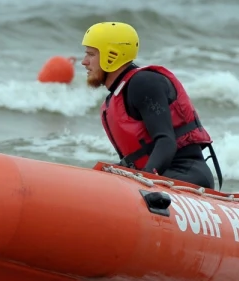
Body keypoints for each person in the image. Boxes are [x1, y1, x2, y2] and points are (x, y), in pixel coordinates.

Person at [80, 21, 222, 189]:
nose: (84, 62)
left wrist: (143, 182)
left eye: (90, 54)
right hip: (161, 176)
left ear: (112, 55)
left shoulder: (143, 83)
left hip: (186, 176)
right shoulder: (118, 94)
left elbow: (166, 141)